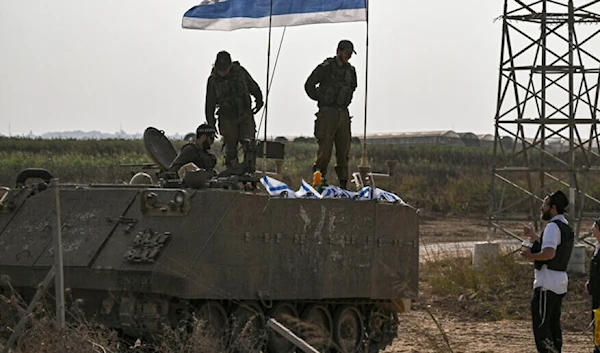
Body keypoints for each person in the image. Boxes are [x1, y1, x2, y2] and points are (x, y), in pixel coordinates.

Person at [521, 190, 574, 353]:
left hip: (547, 284)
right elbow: (551, 246)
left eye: (544, 205)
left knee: (542, 327)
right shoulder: (565, 227)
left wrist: (531, 255)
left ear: (553, 208)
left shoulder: (552, 227)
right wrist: (535, 237)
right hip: (559, 282)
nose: (541, 208)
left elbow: (549, 252)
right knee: (553, 325)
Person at [304, 39, 358, 190]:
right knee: (325, 151)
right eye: (346, 53)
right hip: (327, 114)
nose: (348, 56)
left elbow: (352, 88)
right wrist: (321, 99)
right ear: (339, 51)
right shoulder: (325, 68)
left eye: (350, 54)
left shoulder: (350, 71)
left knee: (343, 151)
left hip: (343, 113)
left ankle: (343, 185)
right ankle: (318, 182)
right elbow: (309, 85)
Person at [205, 50, 264, 173]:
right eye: (220, 69)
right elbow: (209, 104)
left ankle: (249, 172)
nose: (222, 72)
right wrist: (211, 124)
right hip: (227, 118)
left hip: (245, 114)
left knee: (250, 145)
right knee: (231, 147)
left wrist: (259, 100)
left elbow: (253, 86)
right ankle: (231, 172)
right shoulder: (213, 80)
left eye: (225, 69)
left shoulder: (240, 72)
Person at [586, 218, 600, 353]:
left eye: (595, 227)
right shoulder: (597, 247)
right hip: (596, 294)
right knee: (596, 323)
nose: (592, 229)